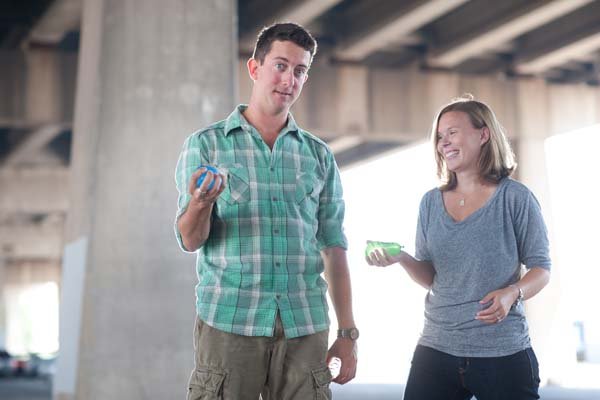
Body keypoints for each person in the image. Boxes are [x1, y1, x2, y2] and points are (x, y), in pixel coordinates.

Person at [174, 22, 358, 400]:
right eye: (280, 65)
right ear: (255, 68)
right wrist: (200, 203)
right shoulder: (207, 145)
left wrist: (347, 333)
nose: (289, 78)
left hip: (304, 324)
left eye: (300, 70)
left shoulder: (318, 155)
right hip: (230, 322)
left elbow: (334, 247)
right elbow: (190, 240)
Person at [366, 95, 551, 400]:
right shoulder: (430, 203)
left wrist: (512, 293)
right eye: (439, 137)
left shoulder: (516, 198)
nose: (443, 143)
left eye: (452, 132)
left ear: (483, 134)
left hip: (501, 352)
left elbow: (542, 269)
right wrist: (401, 257)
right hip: (436, 349)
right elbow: (432, 277)